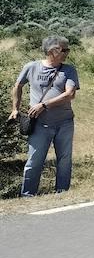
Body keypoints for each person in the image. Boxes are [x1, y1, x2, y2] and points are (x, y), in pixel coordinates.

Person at [10, 36, 79, 197]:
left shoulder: (69, 70)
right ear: (51, 51)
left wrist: (44, 105)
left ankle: (62, 194)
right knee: (34, 161)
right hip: (39, 124)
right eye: (64, 50)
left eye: (67, 49)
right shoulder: (31, 67)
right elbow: (17, 86)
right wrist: (15, 109)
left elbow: (70, 94)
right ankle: (28, 196)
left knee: (64, 160)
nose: (67, 52)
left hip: (64, 123)